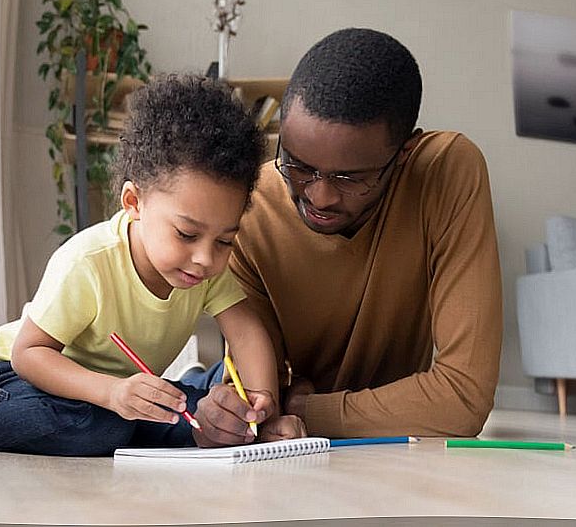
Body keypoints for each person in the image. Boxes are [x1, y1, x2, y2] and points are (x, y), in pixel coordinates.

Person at [0, 74, 302, 455]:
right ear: (134, 203)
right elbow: (29, 354)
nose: (205, 258)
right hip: (26, 377)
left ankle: (180, 394)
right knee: (94, 429)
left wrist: (262, 411)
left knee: (214, 415)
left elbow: (248, 334)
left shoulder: (206, 270)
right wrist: (111, 393)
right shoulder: (89, 261)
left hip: (123, 390)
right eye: (186, 234)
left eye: (224, 240)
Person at [189, 28, 503, 441]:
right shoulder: (251, 204)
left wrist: (305, 410)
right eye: (298, 165)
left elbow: (462, 400)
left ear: (403, 155)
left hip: (328, 424)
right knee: (201, 393)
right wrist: (241, 412)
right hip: (324, 423)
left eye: (349, 178)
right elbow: (262, 401)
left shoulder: (447, 172)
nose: (319, 196)